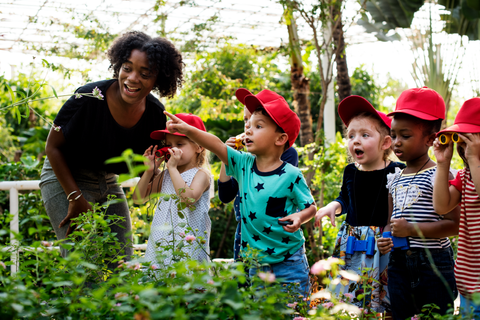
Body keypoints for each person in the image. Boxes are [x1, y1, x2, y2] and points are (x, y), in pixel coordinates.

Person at [39, 31, 184, 261]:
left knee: (122, 262)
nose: (132, 78)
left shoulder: (156, 115)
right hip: (65, 176)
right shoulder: (88, 97)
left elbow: (152, 169)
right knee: (82, 261)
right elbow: (52, 147)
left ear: (158, 79)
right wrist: (75, 197)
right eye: (127, 68)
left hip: (107, 179)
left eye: (144, 73)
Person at [164, 89, 316, 295]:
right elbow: (216, 144)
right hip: (256, 261)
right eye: (248, 124)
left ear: (280, 139)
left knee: (293, 309)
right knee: (260, 311)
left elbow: (311, 207)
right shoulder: (243, 163)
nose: (248, 130)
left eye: (258, 126)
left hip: (289, 259)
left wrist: (300, 216)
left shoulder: (292, 174)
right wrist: (188, 130)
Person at [314, 95, 405, 314]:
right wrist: (332, 207)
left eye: (365, 135)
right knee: (349, 296)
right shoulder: (351, 171)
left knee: (385, 298)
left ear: (385, 143)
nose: (356, 140)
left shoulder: (396, 170)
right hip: (351, 243)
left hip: (383, 243)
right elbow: (345, 199)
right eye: (351, 135)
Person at [377, 87, 459, 320]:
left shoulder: (440, 175)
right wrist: (385, 237)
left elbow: (453, 225)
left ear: (431, 139)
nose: (396, 143)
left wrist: (412, 230)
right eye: (393, 135)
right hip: (398, 264)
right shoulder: (394, 177)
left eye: (405, 135)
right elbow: (390, 221)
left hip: (433, 264)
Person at [218, 88, 299, 262]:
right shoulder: (244, 159)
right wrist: (227, 157)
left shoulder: (288, 154)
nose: (247, 126)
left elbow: (275, 190)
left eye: (257, 124)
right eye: (246, 120)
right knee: (245, 283)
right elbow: (225, 195)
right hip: (246, 230)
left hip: (274, 235)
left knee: (274, 285)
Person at [133, 113, 211, 268]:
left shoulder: (202, 174)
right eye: (168, 144)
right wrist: (149, 171)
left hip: (188, 246)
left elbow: (187, 199)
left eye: (179, 144)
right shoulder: (167, 174)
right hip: (162, 244)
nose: (172, 149)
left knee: (188, 287)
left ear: (199, 147)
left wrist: (173, 168)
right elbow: (138, 198)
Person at [432, 97, 480, 319]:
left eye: (469, 140)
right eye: (460, 141)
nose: (463, 148)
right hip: (469, 287)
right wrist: (443, 163)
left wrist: (474, 158)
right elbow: (441, 206)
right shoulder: (465, 175)